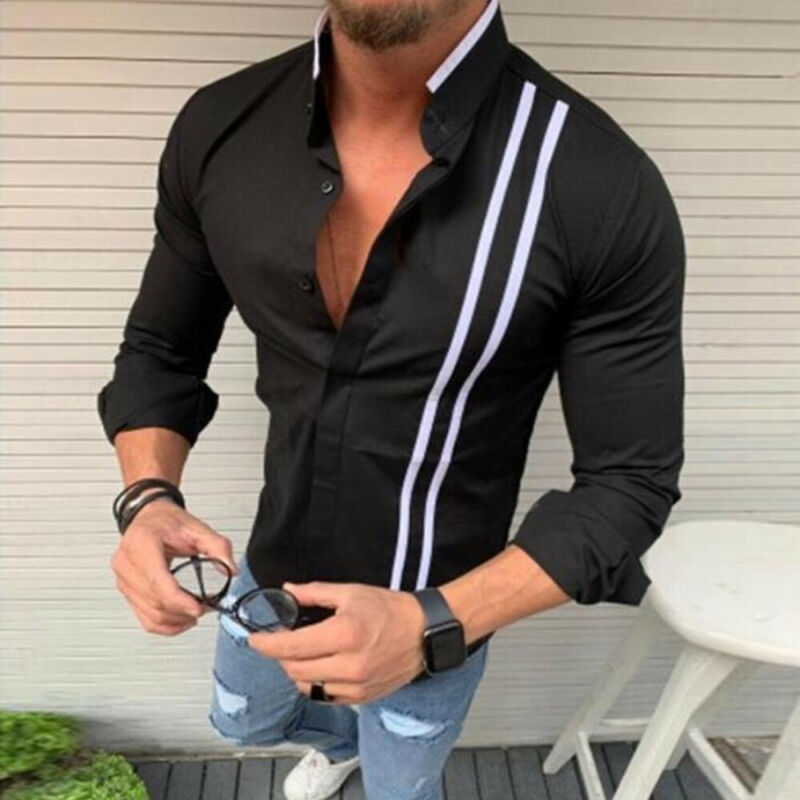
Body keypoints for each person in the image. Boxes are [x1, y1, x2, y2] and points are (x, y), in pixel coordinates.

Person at [97, 0, 686, 798]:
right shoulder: (220, 126)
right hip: (271, 571)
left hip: (443, 603)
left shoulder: (599, 183)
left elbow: (628, 486)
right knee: (241, 726)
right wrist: (147, 499)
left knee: (400, 787)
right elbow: (160, 352)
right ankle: (338, 744)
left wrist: (428, 627)